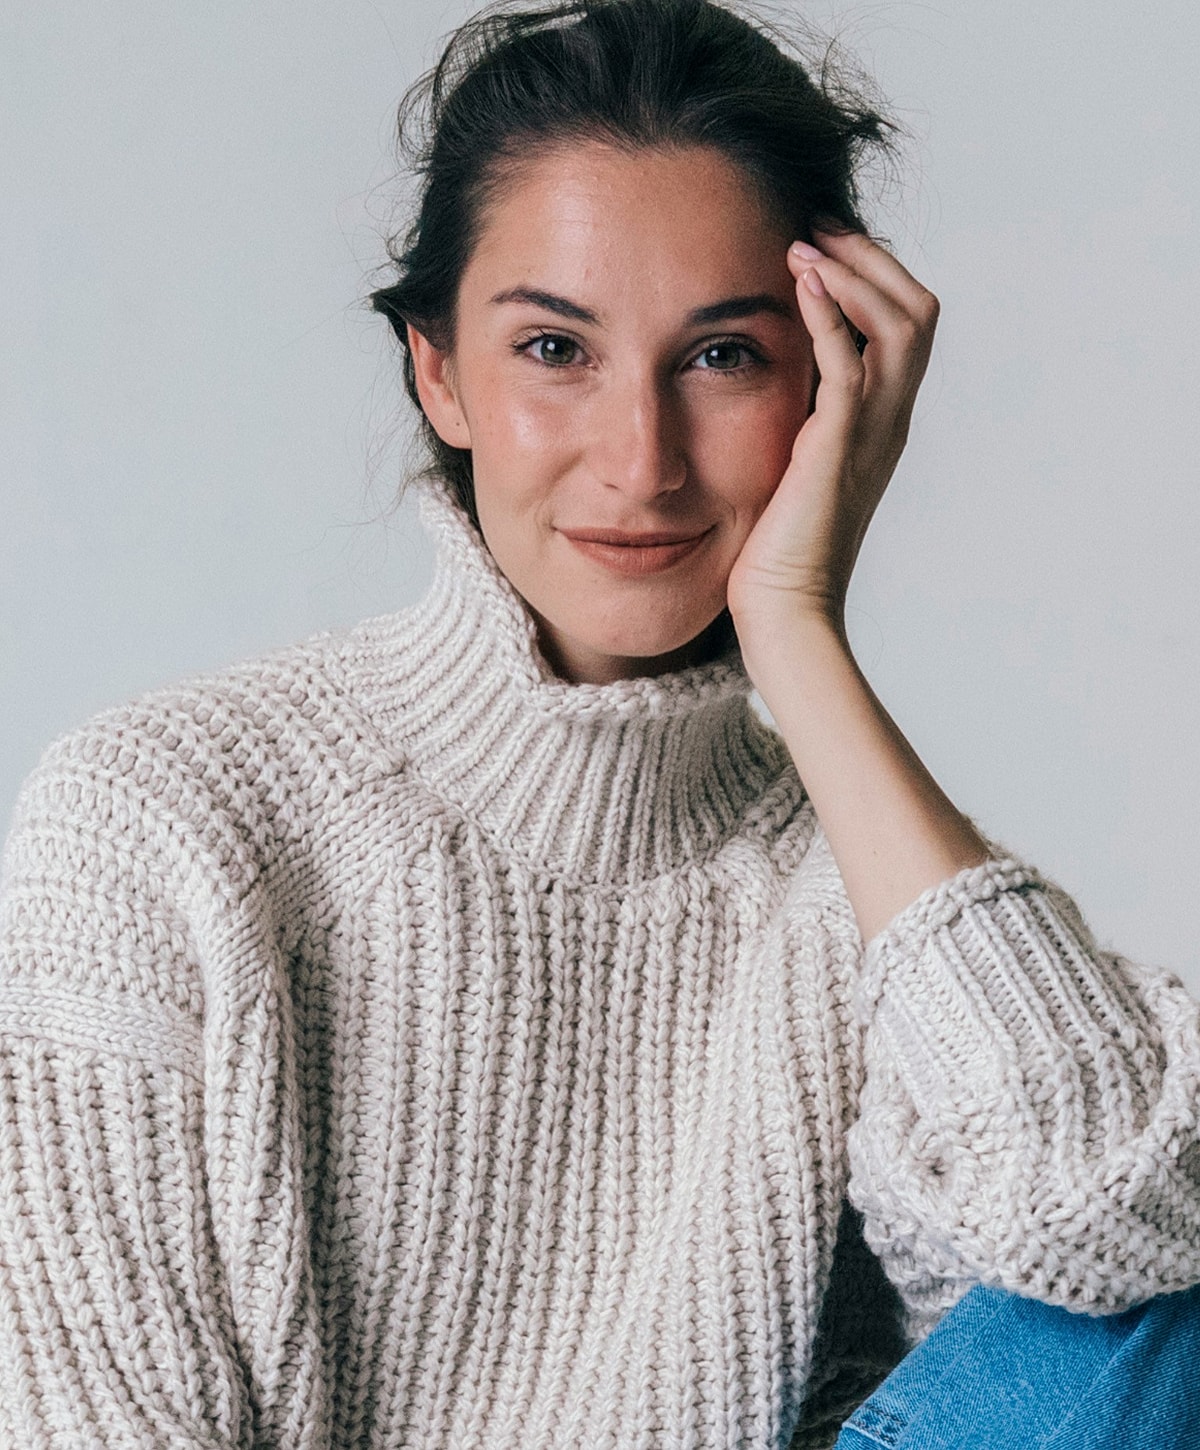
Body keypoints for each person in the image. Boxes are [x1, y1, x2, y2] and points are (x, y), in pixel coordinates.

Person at [1, 0, 1197, 1446]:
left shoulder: (859, 898)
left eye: (723, 358)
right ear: (437, 371)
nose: (640, 460)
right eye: (556, 350)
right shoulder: (166, 821)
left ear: (828, 385)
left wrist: (802, 638)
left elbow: (1132, 1240)